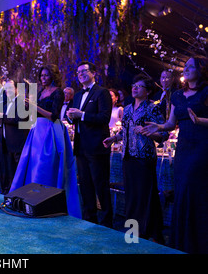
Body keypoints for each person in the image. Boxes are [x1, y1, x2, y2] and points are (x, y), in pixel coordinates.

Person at [142, 56, 208, 253]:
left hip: (203, 147)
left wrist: (200, 121)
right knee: (182, 190)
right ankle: (183, 241)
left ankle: (200, 242)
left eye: (190, 66)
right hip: (183, 148)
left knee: (194, 190)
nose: (185, 70)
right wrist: (159, 126)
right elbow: (172, 123)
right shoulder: (178, 95)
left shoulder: (206, 91)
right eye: (184, 67)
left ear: (201, 70)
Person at [10, 65, 81, 218]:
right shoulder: (41, 92)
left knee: (45, 165)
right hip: (37, 130)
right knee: (32, 164)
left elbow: (54, 116)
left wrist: (35, 106)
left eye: (46, 76)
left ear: (53, 76)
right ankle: (30, 198)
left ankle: (45, 201)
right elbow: (36, 113)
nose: (43, 78)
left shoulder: (58, 93)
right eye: (41, 76)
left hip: (50, 130)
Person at [104, 75, 168, 243]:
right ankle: (136, 229)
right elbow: (125, 131)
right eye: (134, 85)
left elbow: (164, 134)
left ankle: (145, 231)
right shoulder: (128, 108)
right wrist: (114, 139)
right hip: (128, 157)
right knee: (132, 195)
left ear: (147, 92)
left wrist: (149, 132)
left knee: (145, 195)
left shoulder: (152, 108)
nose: (135, 88)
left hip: (144, 157)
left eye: (139, 86)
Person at [67, 61, 113, 227]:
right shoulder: (78, 95)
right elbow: (75, 118)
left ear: (94, 72)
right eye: (78, 72)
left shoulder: (102, 92)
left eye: (84, 71)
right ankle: (89, 219)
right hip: (81, 145)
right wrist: (70, 116)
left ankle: (107, 222)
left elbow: (104, 118)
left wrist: (82, 115)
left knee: (100, 184)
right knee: (85, 184)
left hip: (96, 145)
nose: (80, 74)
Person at [0, 80, 29, 194]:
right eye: (6, 89)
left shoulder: (22, 102)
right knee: (10, 172)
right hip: (6, 143)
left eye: (10, 88)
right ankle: (11, 194)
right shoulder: (5, 105)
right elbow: (5, 121)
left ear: (16, 89)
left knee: (19, 173)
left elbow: (19, 119)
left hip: (18, 143)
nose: (7, 91)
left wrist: (2, 117)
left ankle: (20, 196)